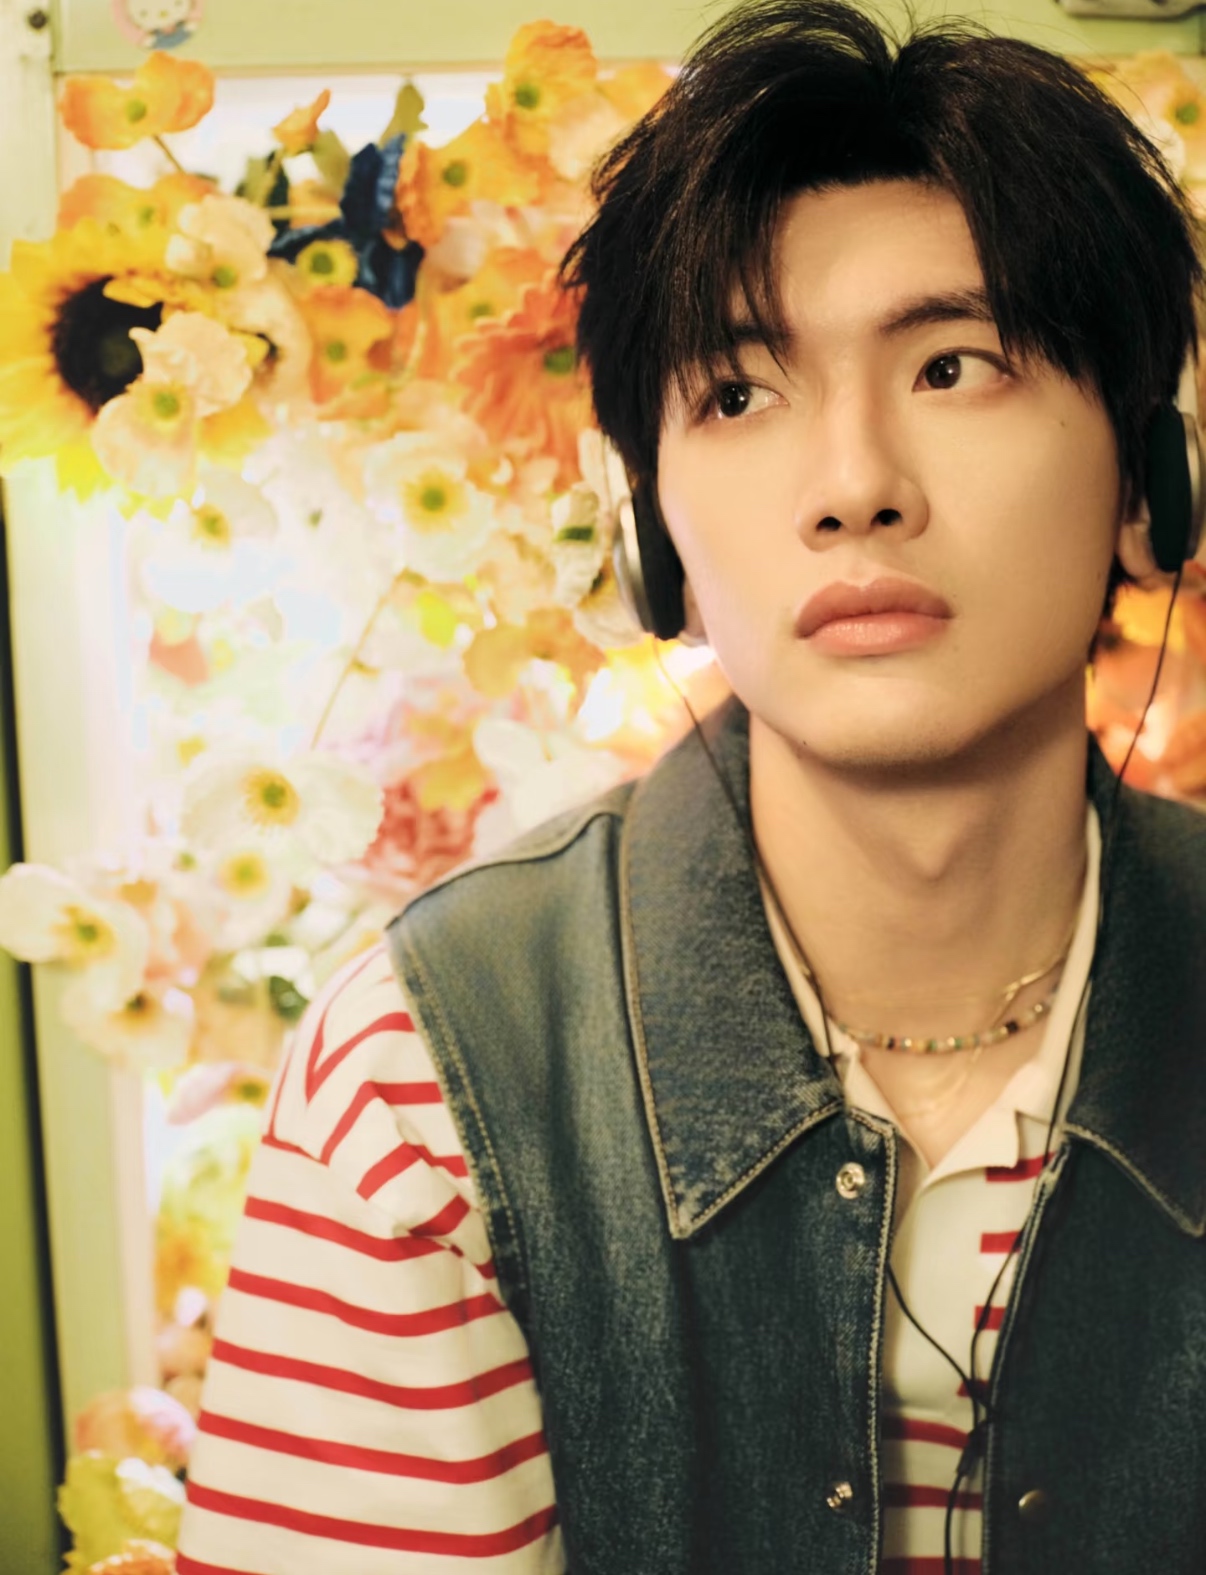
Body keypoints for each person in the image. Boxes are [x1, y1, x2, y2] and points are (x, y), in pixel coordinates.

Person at [176, 3, 1206, 1572]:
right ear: (645, 535)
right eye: (736, 394)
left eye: (953, 365)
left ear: (1149, 479)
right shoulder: (420, 1073)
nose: (854, 487)